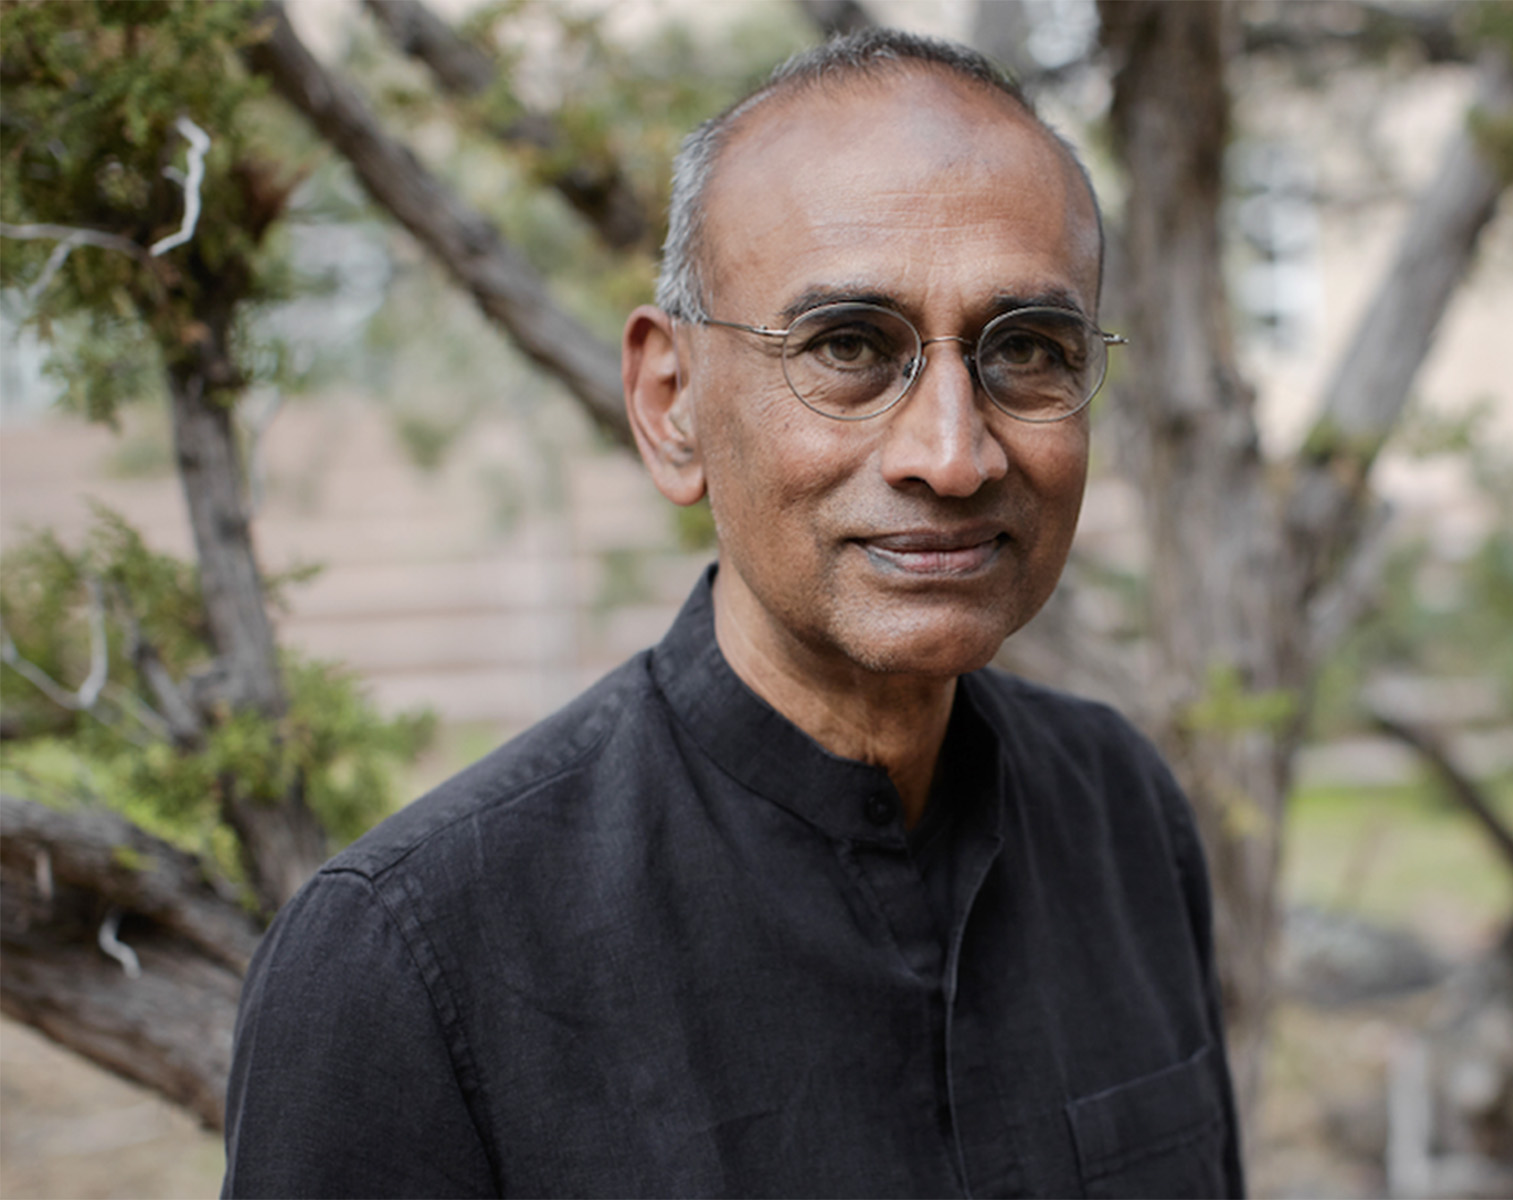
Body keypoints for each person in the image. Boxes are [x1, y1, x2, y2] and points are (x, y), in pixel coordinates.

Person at [223, 28, 1242, 1199]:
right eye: (850, 346)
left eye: (1027, 350)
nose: (954, 456)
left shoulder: (1118, 815)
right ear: (671, 405)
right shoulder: (409, 956)